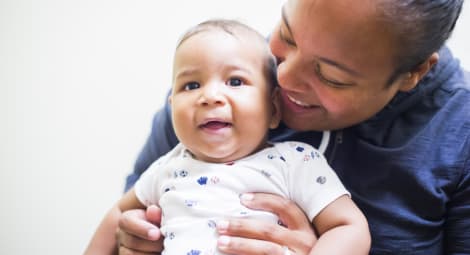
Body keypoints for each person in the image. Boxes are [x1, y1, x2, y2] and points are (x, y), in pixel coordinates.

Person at [117, 0, 470, 254]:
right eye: (287, 33)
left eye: (331, 76)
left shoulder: (460, 135)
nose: (282, 78)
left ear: (413, 73)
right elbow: (124, 218)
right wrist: (133, 237)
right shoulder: (215, 94)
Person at [85, 19, 370, 255]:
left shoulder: (294, 161)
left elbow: (348, 227)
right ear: (171, 107)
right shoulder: (167, 167)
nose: (209, 96)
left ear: (273, 108)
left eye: (235, 81)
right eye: (191, 85)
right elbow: (117, 217)